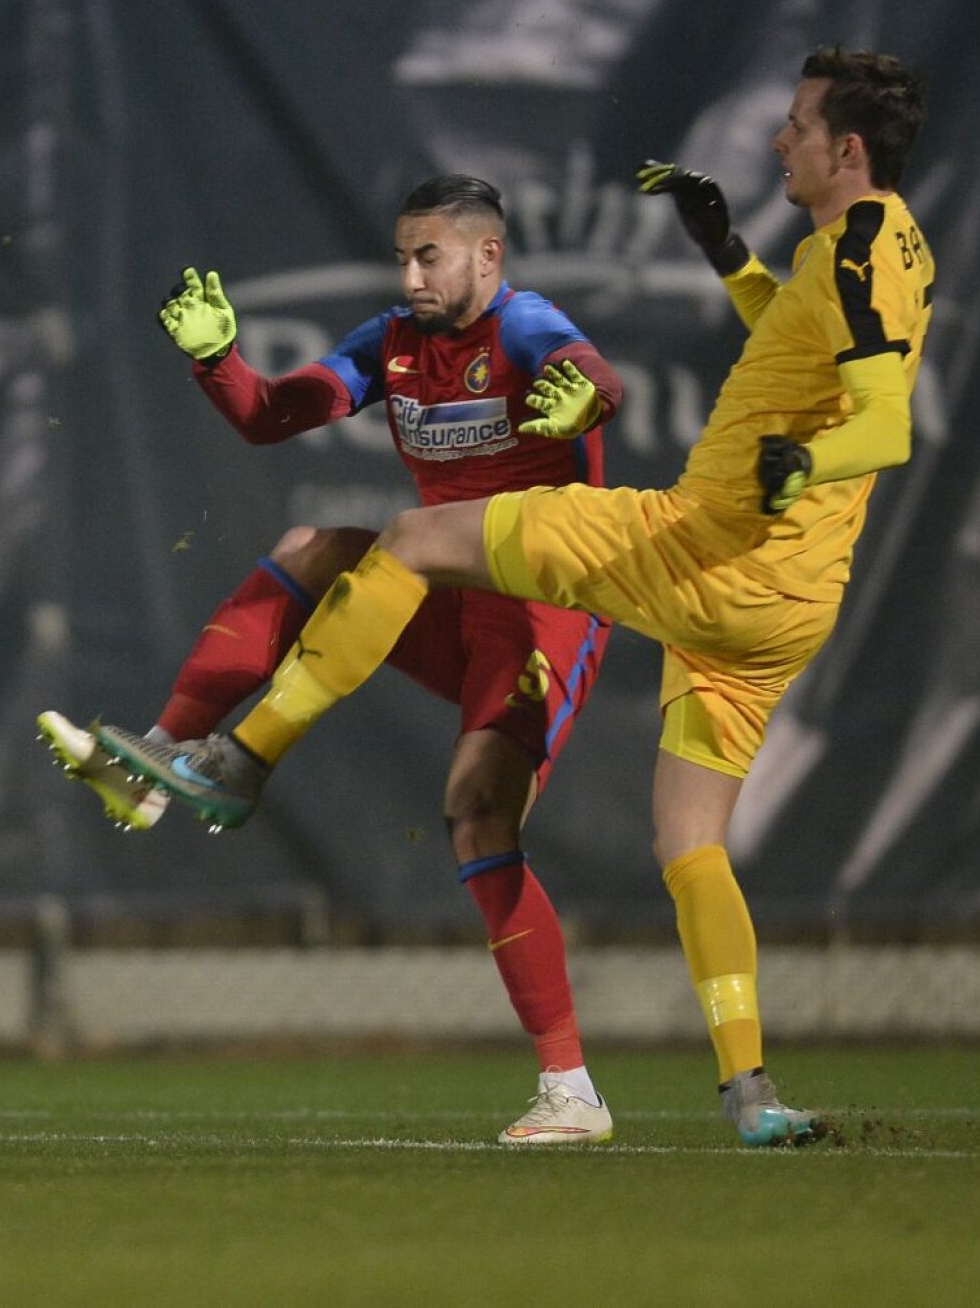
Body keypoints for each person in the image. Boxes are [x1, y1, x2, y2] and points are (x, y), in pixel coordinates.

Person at [101, 46, 934, 1148]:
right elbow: (804, 341)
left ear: (848, 148)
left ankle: (239, 760)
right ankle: (751, 1094)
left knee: (409, 543)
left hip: (711, 549)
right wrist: (729, 255)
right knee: (689, 844)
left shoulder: (847, 246)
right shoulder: (864, 246)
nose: (779, 138)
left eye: (797, 124)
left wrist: (794, 462)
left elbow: (882, 421)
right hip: (783, 606)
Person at [40, 173, 624, 1148]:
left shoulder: (525, 328)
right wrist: (217, 360)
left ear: (489, 256)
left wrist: (585, 404)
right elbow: (273, 414)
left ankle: (571, 1087)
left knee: (477, 812)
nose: (410, 275)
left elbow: (596, 377)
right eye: (402, 256)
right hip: (447, 598)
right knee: (314, 547)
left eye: (428, 256)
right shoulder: (393, 341)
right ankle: (161, 758)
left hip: (544, 614)